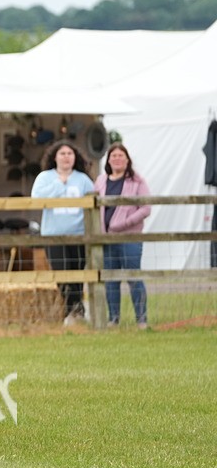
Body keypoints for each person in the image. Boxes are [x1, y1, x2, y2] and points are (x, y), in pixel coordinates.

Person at [30, 141, 93, 325]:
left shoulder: (82, 179)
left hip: (78, 233)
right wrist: (59, 184)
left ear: (76, 157)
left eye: (70, 154)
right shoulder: (45, 177)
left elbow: (94, 200)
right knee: (61, 273)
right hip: (53, 234)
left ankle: (77, 311)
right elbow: (37, 198)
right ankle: (72, 310)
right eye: (62, 153)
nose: (66, 157)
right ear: (54, 157)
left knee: (77, 272)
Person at [92, 143, 151, 328]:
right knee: (110, 279)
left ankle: (141, 319)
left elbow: (146, 208)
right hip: (106, 238)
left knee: (133, 277)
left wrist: (123, 223)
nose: (117, 159)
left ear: (127, 160)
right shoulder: (101, 181)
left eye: (121, 156)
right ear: (108, 160)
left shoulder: (137, 181)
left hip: (129, 238)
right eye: (114, 156)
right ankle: (113, 319)